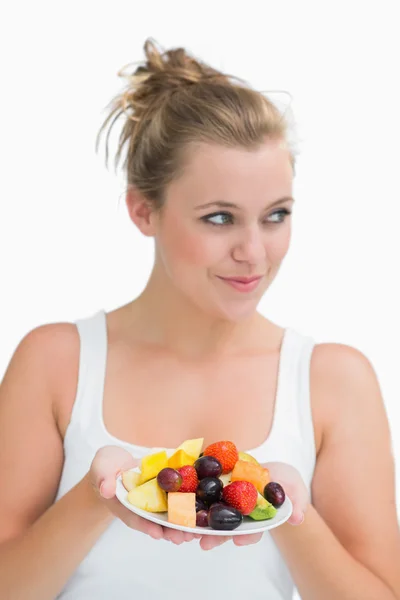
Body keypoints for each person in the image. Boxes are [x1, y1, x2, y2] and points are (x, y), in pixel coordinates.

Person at [0, 38, 399, 600]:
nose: (254, 253)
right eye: (219, 218)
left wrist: (284, 510)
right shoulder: (55, 362)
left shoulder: (333, 380)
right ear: (144, 211)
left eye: (276, 216)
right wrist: (97, 498)